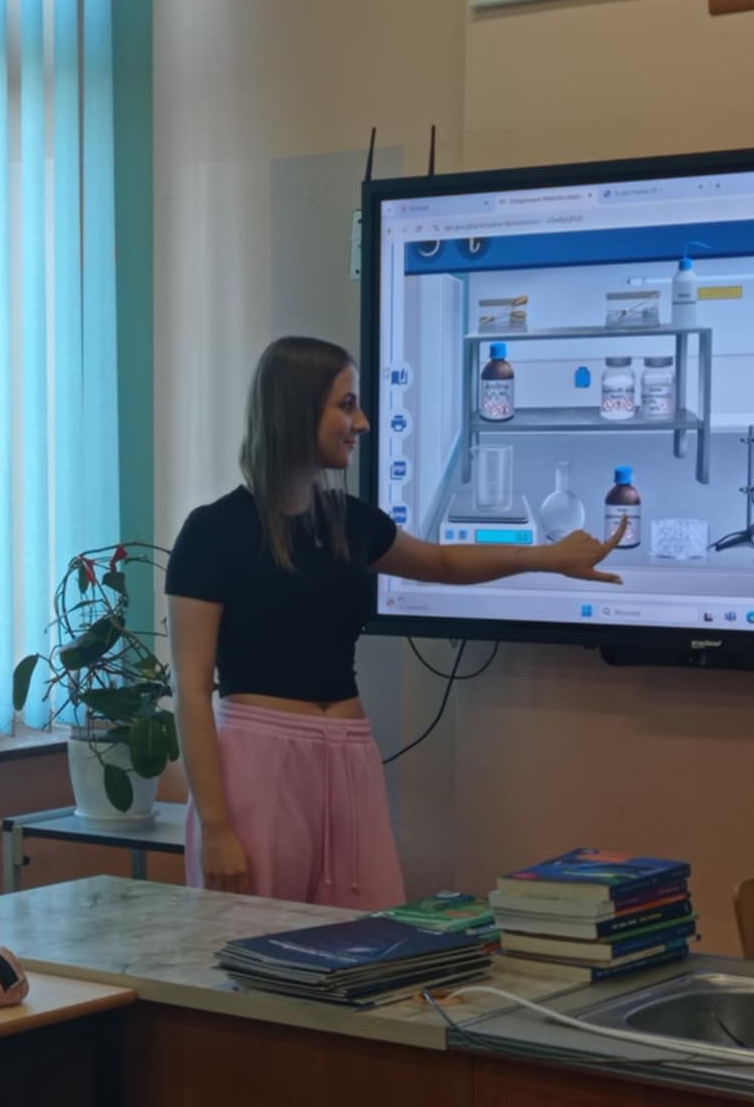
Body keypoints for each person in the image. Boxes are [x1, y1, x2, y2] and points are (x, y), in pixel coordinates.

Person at [165, 336, 625, 909]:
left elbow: (441, 561)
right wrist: (215, 827)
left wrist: (546, 558)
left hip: (350, 755)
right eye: (346, 405)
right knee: (253, 945)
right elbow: (190, 691)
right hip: (258, 765)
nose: (362, 422)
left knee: (366, 939)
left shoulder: (349, 521)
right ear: (296, 410)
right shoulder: (213, 532)